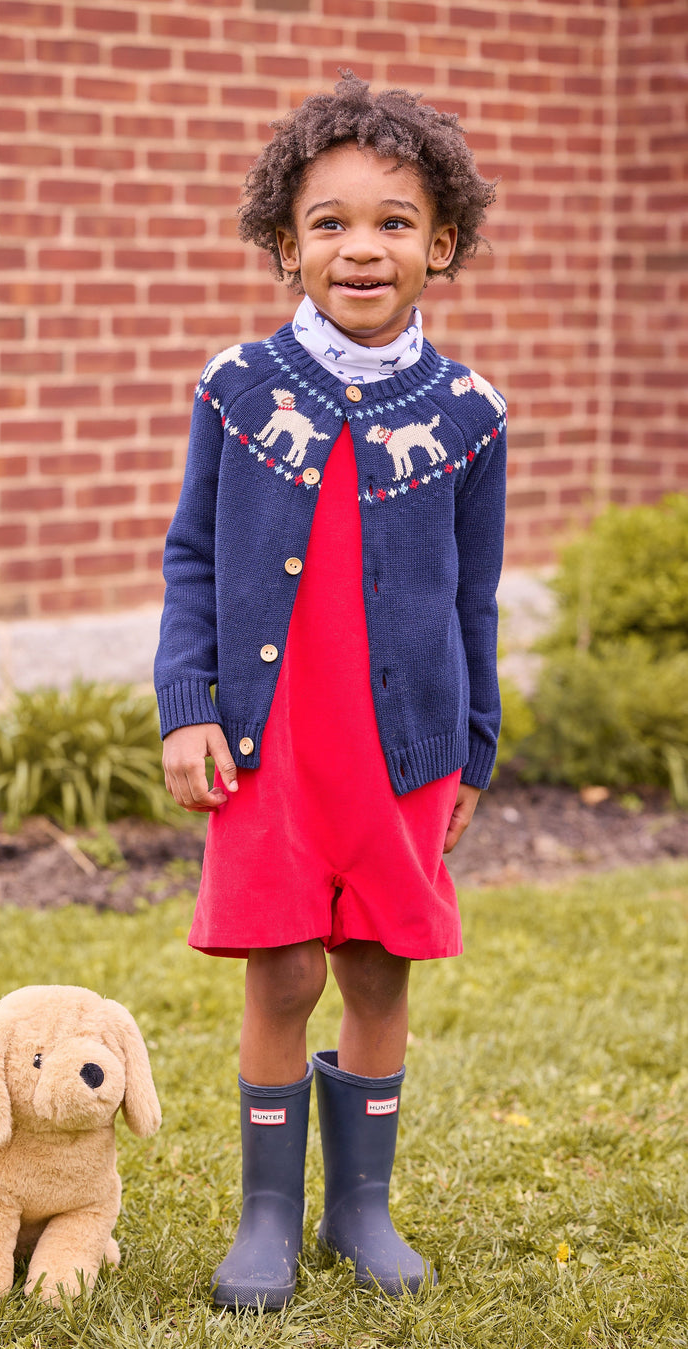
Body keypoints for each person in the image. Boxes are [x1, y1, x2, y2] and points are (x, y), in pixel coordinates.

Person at [154, 71, 505, 1310]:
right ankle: (265, 1209)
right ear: (287, 245)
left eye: (396, 220)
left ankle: (361, 1202)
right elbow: (192, 550)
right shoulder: (239, 390)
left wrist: (475, 746)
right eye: (332, 221)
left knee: (376, 966)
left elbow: (476, 595)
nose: (364, 246)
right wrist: (188, 696)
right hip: (271, 738)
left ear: (441, 244)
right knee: (283, 963)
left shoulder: (467, 415)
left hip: (401, 740)